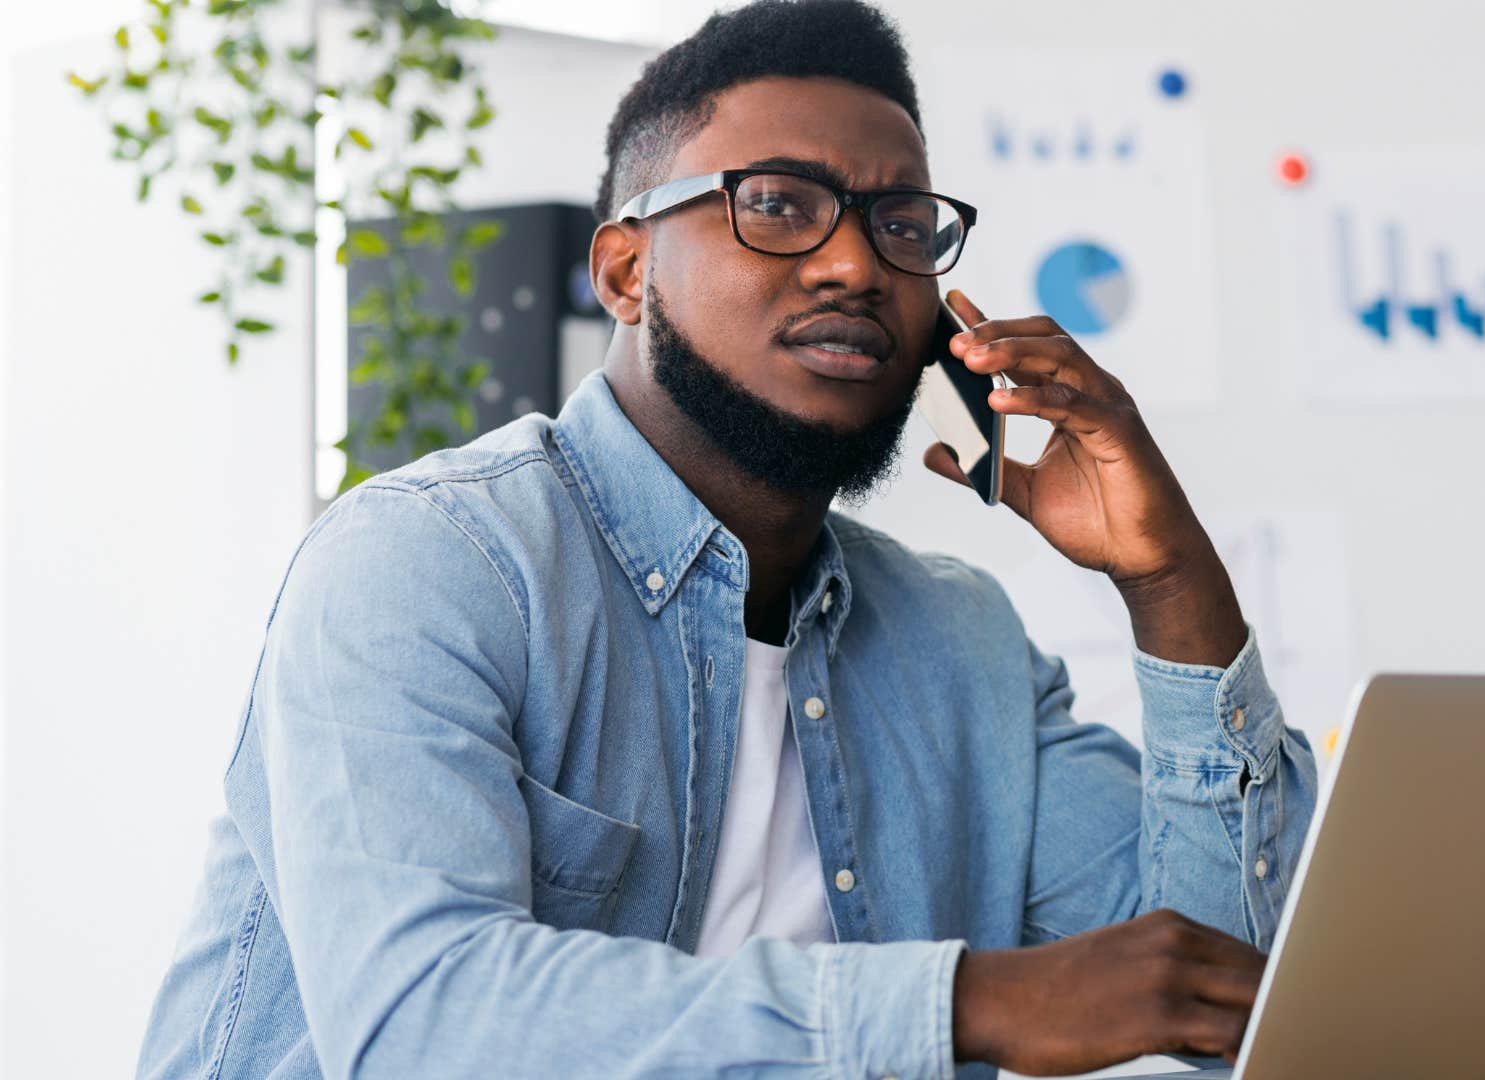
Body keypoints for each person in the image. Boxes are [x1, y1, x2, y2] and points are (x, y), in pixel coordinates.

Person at [134, 2, 1317, 1076]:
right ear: (627, 267)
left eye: (899, 222)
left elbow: (1221, 990)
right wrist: (963, 1004)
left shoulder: (963, 645)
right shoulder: (430, 563)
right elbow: (423, 1026)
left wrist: (1172, 583)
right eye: (779, 205)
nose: (856, 262)